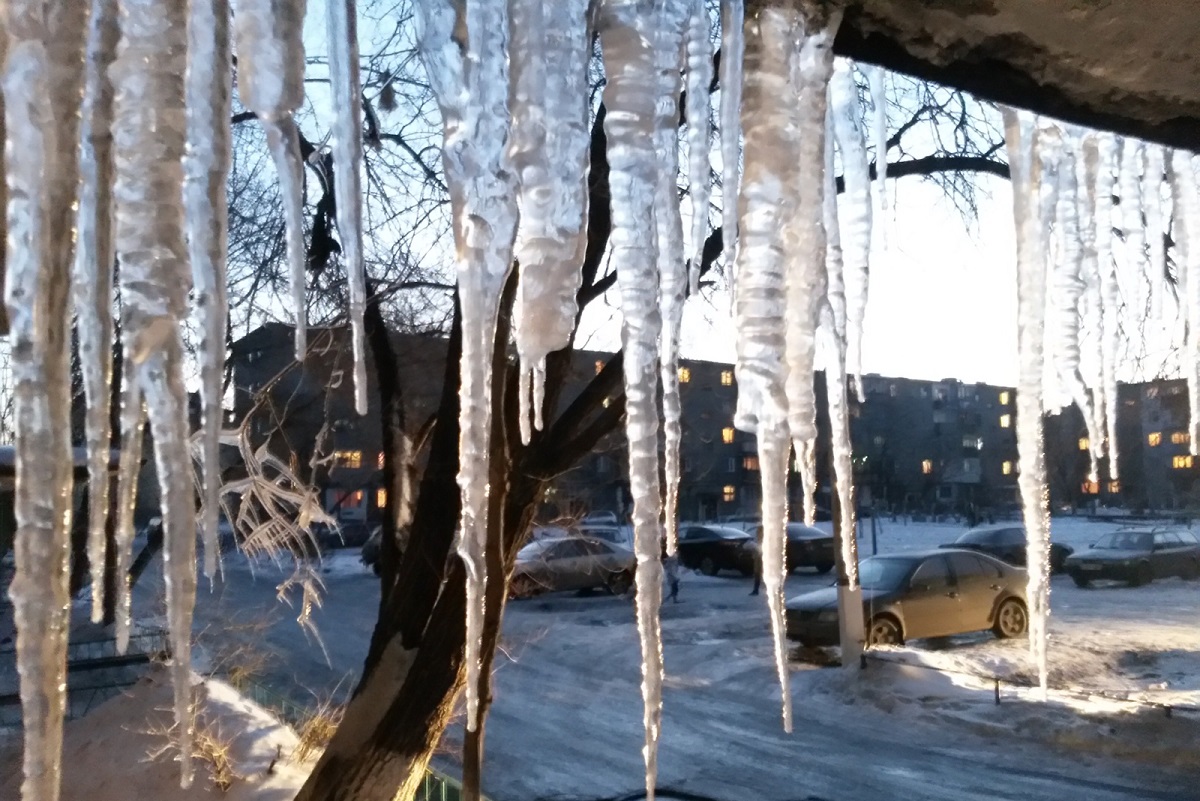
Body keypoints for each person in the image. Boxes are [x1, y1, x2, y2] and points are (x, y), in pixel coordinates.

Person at [750, 525, 764, 596]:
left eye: (758, 531)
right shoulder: (758, 540)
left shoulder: (764, 539)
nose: (757, 533)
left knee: (758, 573)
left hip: (762, 558)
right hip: (758, 558)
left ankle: (756, 590)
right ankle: (755, 589)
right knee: (757, 574)